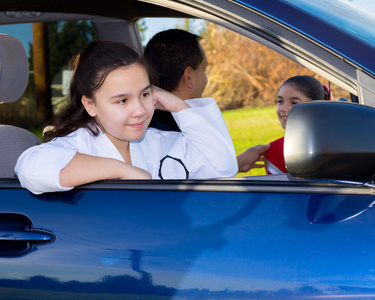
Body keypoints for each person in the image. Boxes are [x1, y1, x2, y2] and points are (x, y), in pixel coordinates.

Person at [15, 40, 238, 195]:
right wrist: (122, 170)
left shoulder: (160, 142)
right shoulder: (79, 144)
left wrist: (178, 105)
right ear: (90, 105)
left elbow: (222, 168)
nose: (140, 110)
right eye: (122, 100)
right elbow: (30, 167)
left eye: (144, 94)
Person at [144, 29, 269, 173]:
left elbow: (193, 169)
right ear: (189, 77)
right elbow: (222, 169)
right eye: (204, 70)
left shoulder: (149, 125)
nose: (205, 78)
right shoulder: (173, 134)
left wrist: (238, 163)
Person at [265, 75, 331, 174]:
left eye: (294, 103)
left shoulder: (334, 147)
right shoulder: (271, 151)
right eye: (280, 101)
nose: (283, 108)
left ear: (316, 106)